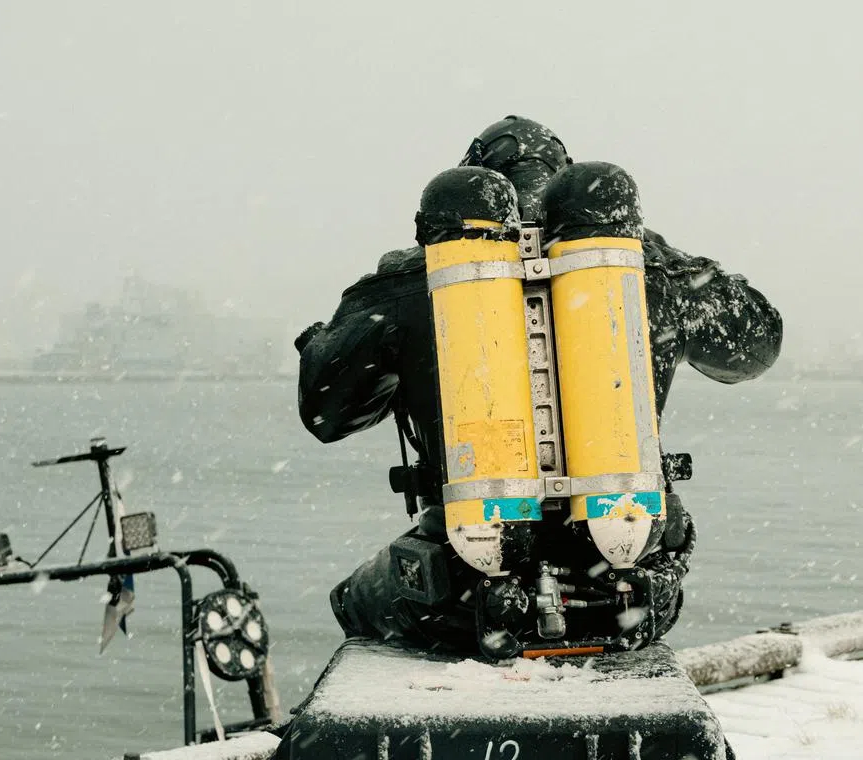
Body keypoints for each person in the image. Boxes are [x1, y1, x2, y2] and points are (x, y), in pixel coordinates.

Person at [295, 116, 783, 654]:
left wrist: (328, 339)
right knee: (654, 548)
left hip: (465, 591)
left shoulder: (420, 279)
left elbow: (326, 414)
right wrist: (657, 256)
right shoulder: (633, 267)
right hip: (626, 588)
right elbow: (757, 343)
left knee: (354, 600)